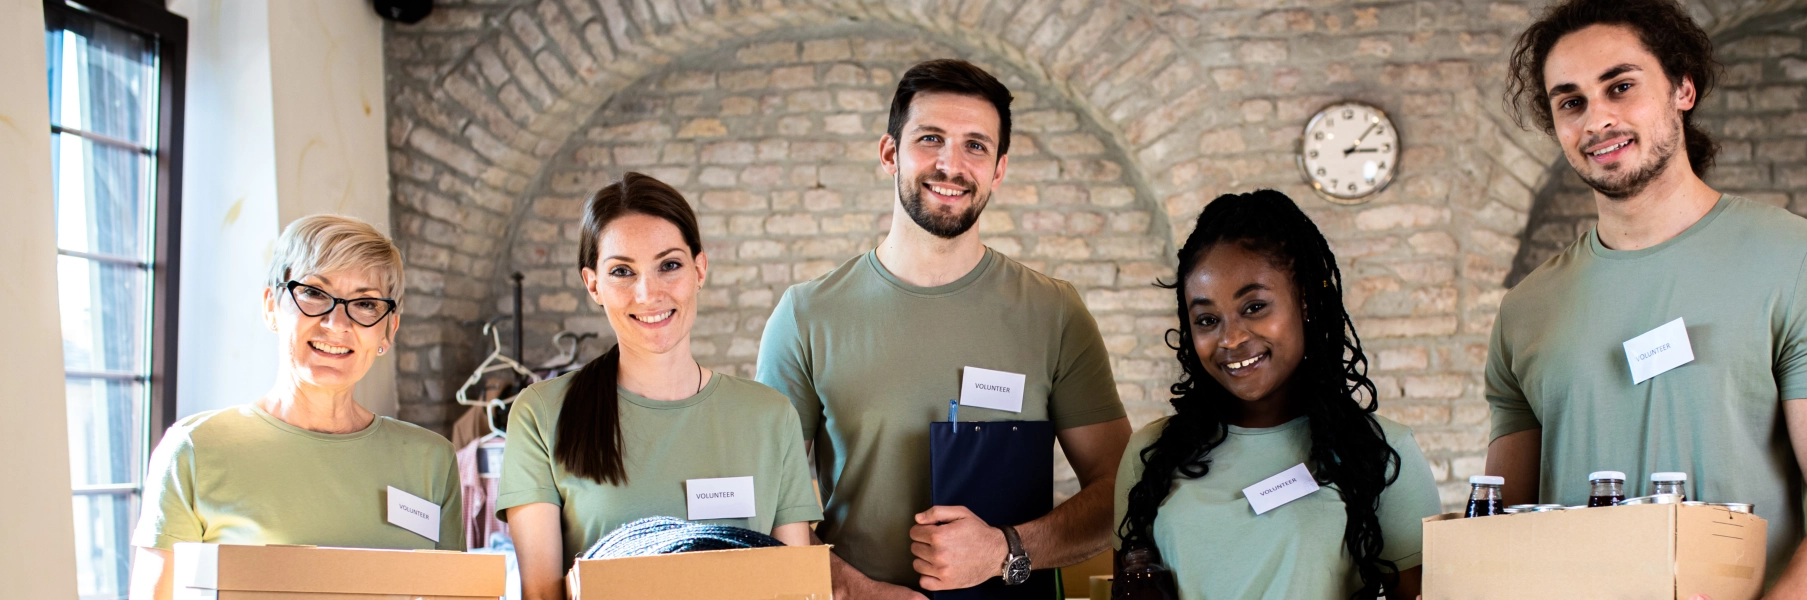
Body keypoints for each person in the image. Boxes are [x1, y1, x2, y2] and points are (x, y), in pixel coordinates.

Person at [1487, 0, 1807, 596]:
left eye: (1621, 86)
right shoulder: (1525, 309)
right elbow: (1504, 522)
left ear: (1683, 88)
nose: (1598, 119)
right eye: (1570, 102)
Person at [756, 58, 1131, 597]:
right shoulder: (805, 316)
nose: (950, 165)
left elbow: (1120, 489)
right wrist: (853, 590)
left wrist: (1007, 549)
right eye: (930, 138)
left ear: (999, 169)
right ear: (890, 153)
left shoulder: (1055, 313)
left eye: (976, 145)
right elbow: (764, 507)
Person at [499, 172, 820, 600]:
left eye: (669, 265)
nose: (648, 293)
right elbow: (542, 595)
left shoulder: (770, 416)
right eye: (622, 271)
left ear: (699, 269)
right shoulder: (540, 413)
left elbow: (795, 589)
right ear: (593, 284)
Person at [1113, 191, 1439, 600]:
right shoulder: (1151, 454)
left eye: (1254, 307)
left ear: (1304, 300)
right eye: (1208, 319)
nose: (1230, 338)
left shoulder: (1385, 452)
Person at [129, 215, 460, 600]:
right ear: (272, 306)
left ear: (388, 330)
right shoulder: (195, 450)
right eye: (315, 293)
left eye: (366, 303)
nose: (337, 323)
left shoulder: (431, 460)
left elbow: (455, 593)